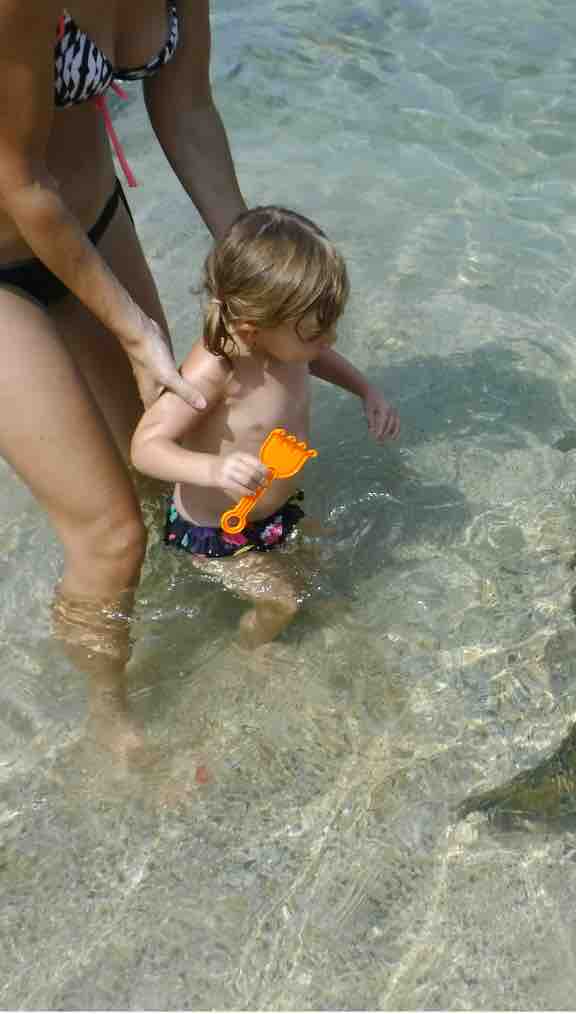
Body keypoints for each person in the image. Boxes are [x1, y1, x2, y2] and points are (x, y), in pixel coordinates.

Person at [0, 1, 248, 758]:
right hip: (9, 253)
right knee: (111, 536)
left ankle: (219, 618)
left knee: (162, 469)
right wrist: (137, 332)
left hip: (93, 227)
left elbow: (189, 104)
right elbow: (20, 182)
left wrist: (254, 261)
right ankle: (107, 725)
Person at [131, 205, 401, 653]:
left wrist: (366, 391)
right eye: (316, 332)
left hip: (273, 510)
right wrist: (214, 469)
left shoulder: (289, 346)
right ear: (251, 329)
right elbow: (145, 446)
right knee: (283, 602)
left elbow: (319, 358)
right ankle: (251, 653)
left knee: (322, 573)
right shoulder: (216, 369)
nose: (329, 340)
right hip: (216, 529)